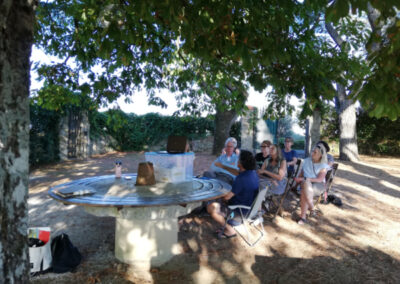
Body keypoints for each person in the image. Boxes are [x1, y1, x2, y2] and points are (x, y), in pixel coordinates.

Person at [206, 150, 259, 238]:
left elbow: (227, 197)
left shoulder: (241, 179)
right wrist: (223, 166)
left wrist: (215, 194)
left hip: (237, 215)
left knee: (211, 207)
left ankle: (230, 230)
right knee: (219, 201)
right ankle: (225, 223)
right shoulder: (252, 173)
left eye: (238, 159)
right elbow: (236, 172)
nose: (237, 161)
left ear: (241, 163)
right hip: (249, 209)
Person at [294, 144, 330, 225]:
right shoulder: (306, 161)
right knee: (305, 185)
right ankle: (312, 208)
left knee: (305, 188)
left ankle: (303, 217)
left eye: (315, 152)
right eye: (312, 151)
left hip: (318, 185)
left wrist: (305, 179)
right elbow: (302, 173)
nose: (312, 153)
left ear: (321, 155)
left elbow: (319, 179)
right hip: (305, 183)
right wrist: (296, 184)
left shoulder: (323, 165)